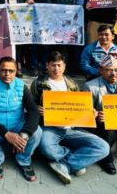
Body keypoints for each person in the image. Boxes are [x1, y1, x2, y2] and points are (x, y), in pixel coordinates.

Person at [30, 51, 109, 184]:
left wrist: (91, 112)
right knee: (47, 148)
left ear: (64, 66)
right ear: (47, 66)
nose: (56, 69)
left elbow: (82, 106)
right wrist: (36, 109)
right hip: (50, 128)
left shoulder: (72, 84)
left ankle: (65, 165)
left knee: (103, 147)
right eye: (53, 65)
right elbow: (29, 105)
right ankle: (77, 161)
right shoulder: (38, 83)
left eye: (59, 65)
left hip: (72, 128)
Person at [0, 56, 42, 181]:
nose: (7, 74)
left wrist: (24, 134)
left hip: (17, 125)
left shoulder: (21, 86)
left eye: (11, 71)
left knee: (37, 132)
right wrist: (6, 134)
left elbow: (33, 111)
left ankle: (24, 160)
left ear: (16, 71)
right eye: (3, 70)